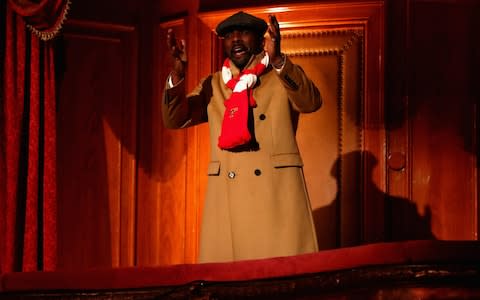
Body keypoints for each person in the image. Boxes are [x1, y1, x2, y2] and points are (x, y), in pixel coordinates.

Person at [163, 11, 322, 263]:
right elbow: (175, 119)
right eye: (228, 35)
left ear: (261, 40)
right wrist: (178, 75)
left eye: (243, 32)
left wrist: (279, 59)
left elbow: (311, 102)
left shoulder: (280, 75)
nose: (235, 39)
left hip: (277, 196)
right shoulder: (213, 85)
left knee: (281, 279)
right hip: (227, 199)